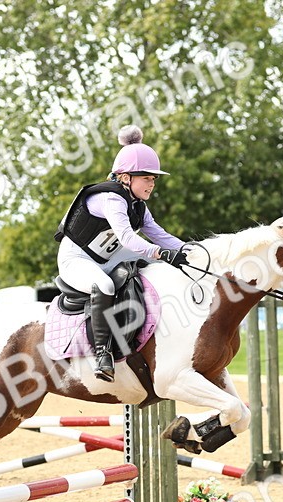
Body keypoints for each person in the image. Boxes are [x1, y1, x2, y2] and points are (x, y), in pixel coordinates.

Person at [55, 125, 190, 381]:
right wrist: (160, 252)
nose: (152, 184)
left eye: (153, 179)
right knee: (105, 285)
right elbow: (128, 238)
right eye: (146, 178)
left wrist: (188, 249)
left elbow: (159, 234)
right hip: (76, 259)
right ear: (126, 177)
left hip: (107, 257)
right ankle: (102, 354)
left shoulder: (138, 205)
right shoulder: (111, 199)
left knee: (157, 265)